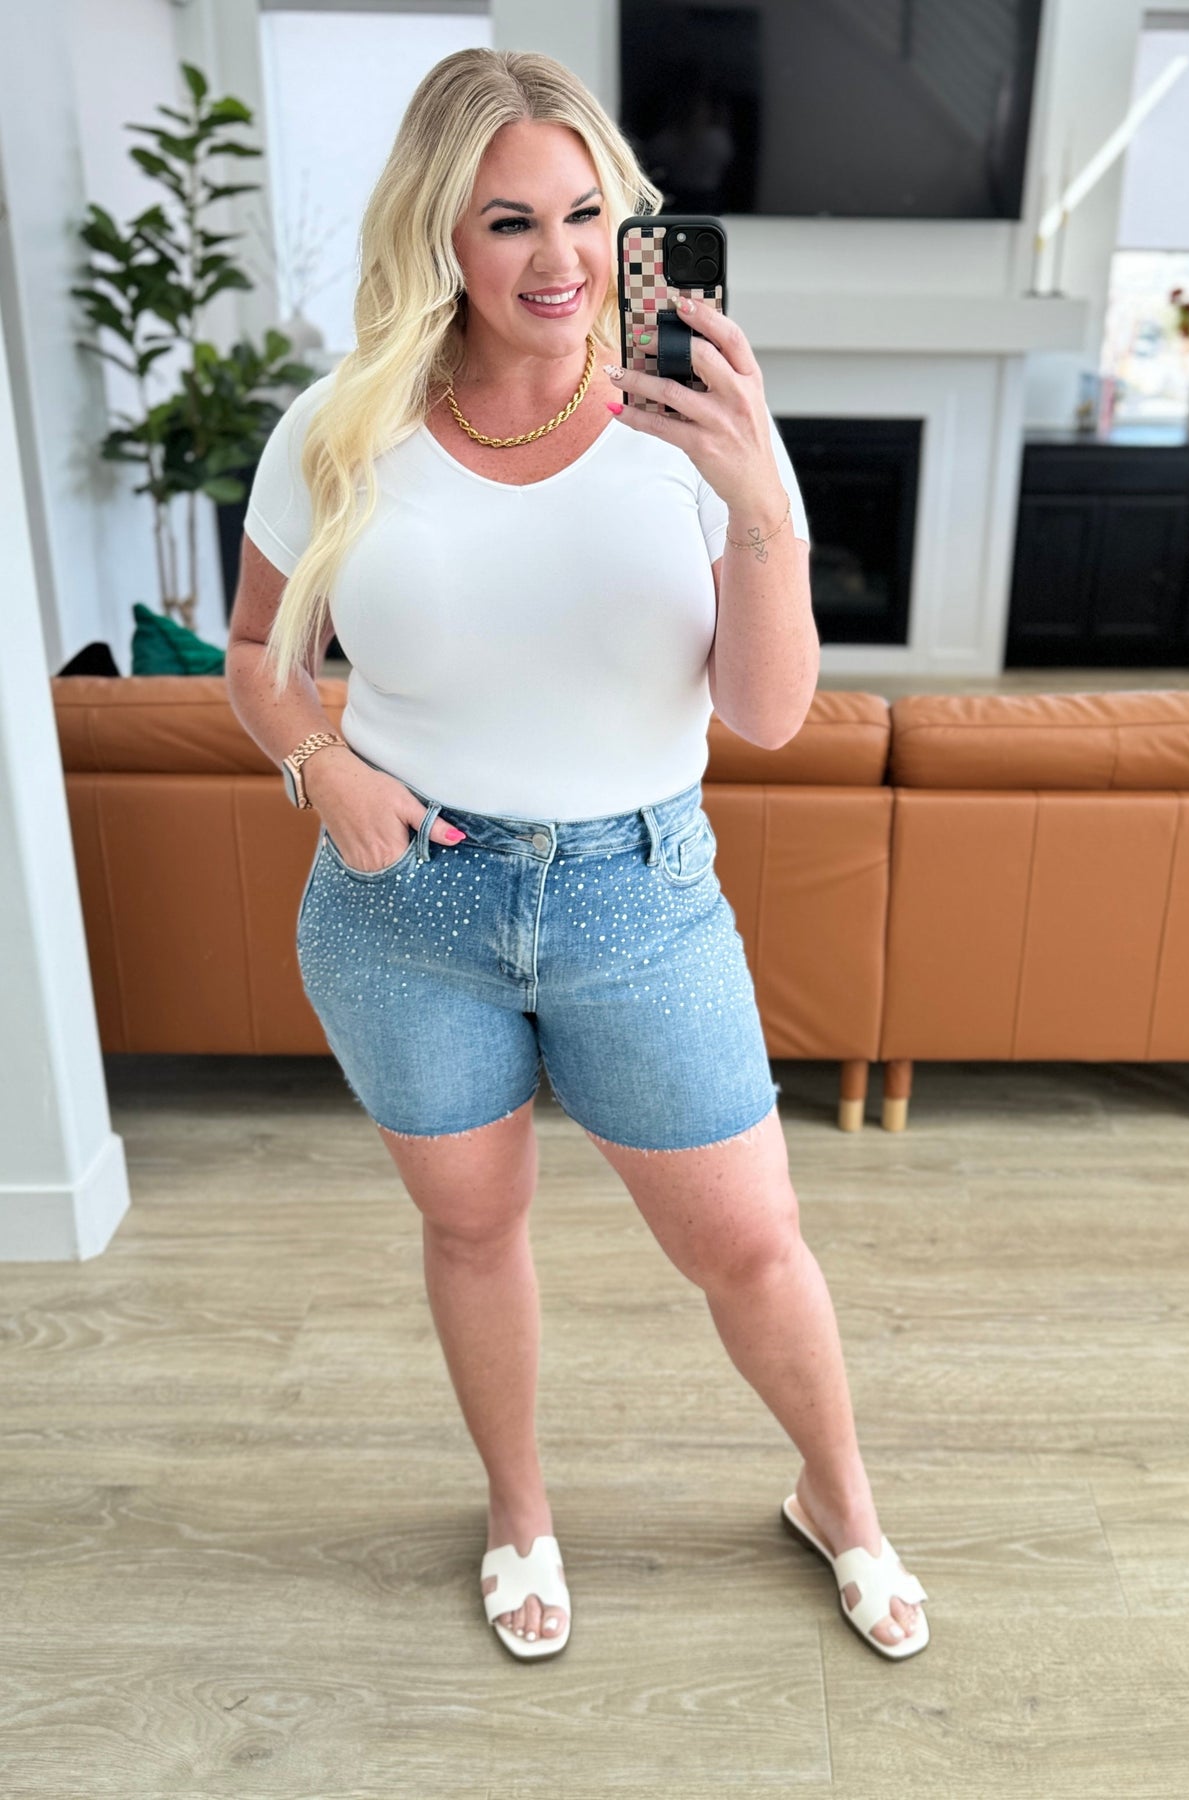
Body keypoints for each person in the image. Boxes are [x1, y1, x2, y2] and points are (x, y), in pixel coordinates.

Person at [226, 47, 929, 1664]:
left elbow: (763, 715)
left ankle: (844, 1502)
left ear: (629, 221)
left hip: (638, 895)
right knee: (473, 1225)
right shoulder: (341, 429)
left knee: (749, 1241)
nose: (555, 261)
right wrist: (319, 761)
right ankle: (520, 1510)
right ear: (440, 239)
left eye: (585, 213)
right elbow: (261, 650)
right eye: (506, 221)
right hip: (407, 902)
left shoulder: (700, 423)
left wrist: (761, 510)